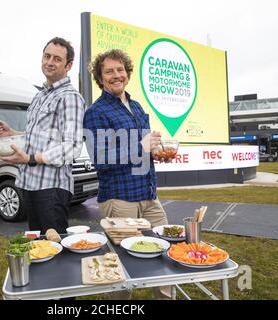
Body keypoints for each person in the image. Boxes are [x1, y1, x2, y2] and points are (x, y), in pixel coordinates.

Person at [83, 49, 171, 299]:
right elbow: (100, 159)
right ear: (100, 79)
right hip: (120, 201)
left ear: (127, 73)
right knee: (121, 270)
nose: (116, 75)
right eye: (108, 71)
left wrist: (155, 151)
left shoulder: (136, 106)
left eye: (120, 69)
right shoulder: (96, 112)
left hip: (149, 196)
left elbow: (142, 147)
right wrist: (140, 146)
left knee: (165, 257)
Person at [0, 37, 85, 234]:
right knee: (39, 246)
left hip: (52, 189)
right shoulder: (39, 96)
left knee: (56, 249)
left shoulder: (69, 97)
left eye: (57, 59)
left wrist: (31, 159)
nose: (50, 62)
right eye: (47, 56)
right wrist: (12, 133)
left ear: (68, 65)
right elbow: (37, 137)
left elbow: (72, 147)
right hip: (30, 183)